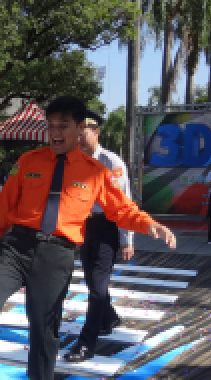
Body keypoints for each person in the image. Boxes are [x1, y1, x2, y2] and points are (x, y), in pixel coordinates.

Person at [0, 96, 177, 380]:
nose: (55, 133)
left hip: (57, 252)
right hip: (17, 246)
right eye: (51, 126)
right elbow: (4, 206)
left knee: (45, 325)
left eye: (63, 126)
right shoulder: (29, 161)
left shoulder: (96, 172)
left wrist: (149, 224)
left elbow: (121, 209)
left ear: (80, 129)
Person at [63, 110, 135, 364]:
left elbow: (124, 203)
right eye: (77, 133)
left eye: (84, 133)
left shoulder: (111, 162)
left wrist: (126, 240)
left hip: (107, 226)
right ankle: (109, 317)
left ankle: (87, 342)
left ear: (96, 133)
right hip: (84, 226)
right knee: (93, 282)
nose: (80, 139)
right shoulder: (74, 160)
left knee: (97, 286)